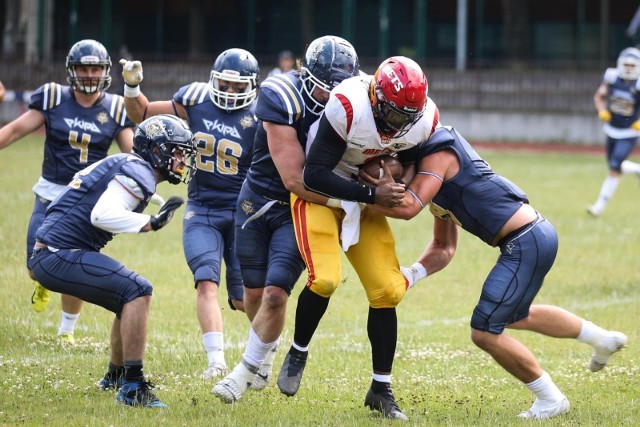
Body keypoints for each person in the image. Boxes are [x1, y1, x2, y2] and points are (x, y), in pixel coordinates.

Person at [363, 125, 628, 420]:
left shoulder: (439, 155)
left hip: (525, 239)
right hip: (535, 235)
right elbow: (443, 247)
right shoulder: (434, 186)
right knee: (517, 315)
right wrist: (412, 274)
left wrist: (364, 195)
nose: (391, 182)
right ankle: (601, 339)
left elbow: (408, 207)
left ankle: (550, 398)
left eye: (390, 173)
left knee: (484, 331)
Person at [274, 56, 439, 421]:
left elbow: (412, 160)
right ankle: (299, 350)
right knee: (326, 278)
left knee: (388, 289)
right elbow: (314, 174)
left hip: (365, 198)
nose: (397, 125)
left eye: (405, 118)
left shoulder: (422, 117)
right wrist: (371, 195)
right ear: (375, 95)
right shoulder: (349, 104)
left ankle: (381, 389)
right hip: (320, 195)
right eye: (392, 114)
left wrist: (397, 178)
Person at [212, 35, 360, 404]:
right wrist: (356, 200)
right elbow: (296, 178)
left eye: (342, 88)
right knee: (253, 294)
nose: (335, 98)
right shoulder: (282, 94)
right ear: (305, 75)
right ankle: (265, 350)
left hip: (302, 208)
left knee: (276, 295)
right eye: (327, 88)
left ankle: (243, 371)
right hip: (260, 199)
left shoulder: (359, 95)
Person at [28, 114, 197, 407]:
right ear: (156, 150)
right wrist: (150, 222)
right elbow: (101, 215)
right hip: (58, 253)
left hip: (54, 249)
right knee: (138, 291)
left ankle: (116, 376)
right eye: (177, 151)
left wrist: (151, 201)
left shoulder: (129, 165)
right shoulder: (139, 174)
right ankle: (132, 386)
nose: (182, 160)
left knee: (126, 296)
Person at [120, 48, 260, 379]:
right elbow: (141, 114)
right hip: (203, 209)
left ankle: (262, 357)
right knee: (206, 284)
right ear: (214, 81)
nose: (230, 92)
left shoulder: (262, 114)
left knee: (246, 298)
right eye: (225, 85)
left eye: (239, 88)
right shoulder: (195, 98)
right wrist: (131, 87)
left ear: (252, 87)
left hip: (243, 213)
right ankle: (217, 363)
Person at [0, 39, 136, 344]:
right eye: (83, 68)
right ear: (71, 71)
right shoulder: (52, 97)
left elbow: (132, 154)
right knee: (36, 270)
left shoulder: (114, 107)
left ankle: (67, 330)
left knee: (75, 264)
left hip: (86, 199)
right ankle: (44, 281)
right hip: (50, 193)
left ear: (105, 71)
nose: (89, 74)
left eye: (95, 68)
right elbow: (14, 130)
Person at [588, 47, 640, 217]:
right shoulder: (611, 77)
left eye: (632, 65)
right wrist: (601, 110)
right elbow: (599, 96)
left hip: (629, 132)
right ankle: (636, 169)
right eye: (626, 64)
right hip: (611, 129)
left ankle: (598, 207)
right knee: (615, 167)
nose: (628, 68)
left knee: (613, 167)